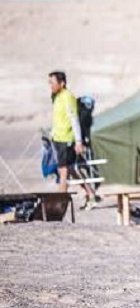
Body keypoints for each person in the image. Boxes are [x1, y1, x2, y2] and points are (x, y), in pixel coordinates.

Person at [48, 71, 98, 210]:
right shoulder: (56, 97)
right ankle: (91, 194)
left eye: (52, 82)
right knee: (70, 170)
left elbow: (74, 119)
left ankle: (61, 203)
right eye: (49, 82)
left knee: (62, 171)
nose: (50, 85)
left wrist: (78, 141)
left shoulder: (68, 97)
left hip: (67, 140)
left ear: (62, 83)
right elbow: (58, 118)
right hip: (58, 139)